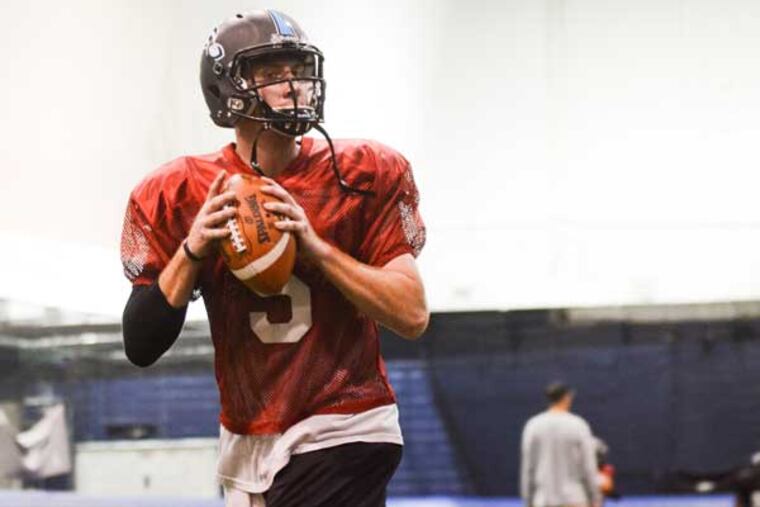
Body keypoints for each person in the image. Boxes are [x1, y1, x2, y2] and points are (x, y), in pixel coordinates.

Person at [119, 9, 428, 507]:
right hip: (246, 439)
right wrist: (193, 249)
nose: (293, 86)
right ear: (227, 91)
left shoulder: (361, 174)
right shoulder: (179, 192)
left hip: (345, 425)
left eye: (298, 71)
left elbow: (412, 314)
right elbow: (140, 343)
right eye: (270, 73)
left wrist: (316, 247)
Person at [520, 382, 601, 507]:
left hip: (543, 499)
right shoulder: (578, 425)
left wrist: (528, 500)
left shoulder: (533, 426)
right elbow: (588, 466)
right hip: (574, 499)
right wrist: (595, 497)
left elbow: (528, 468)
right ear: (567, 397)